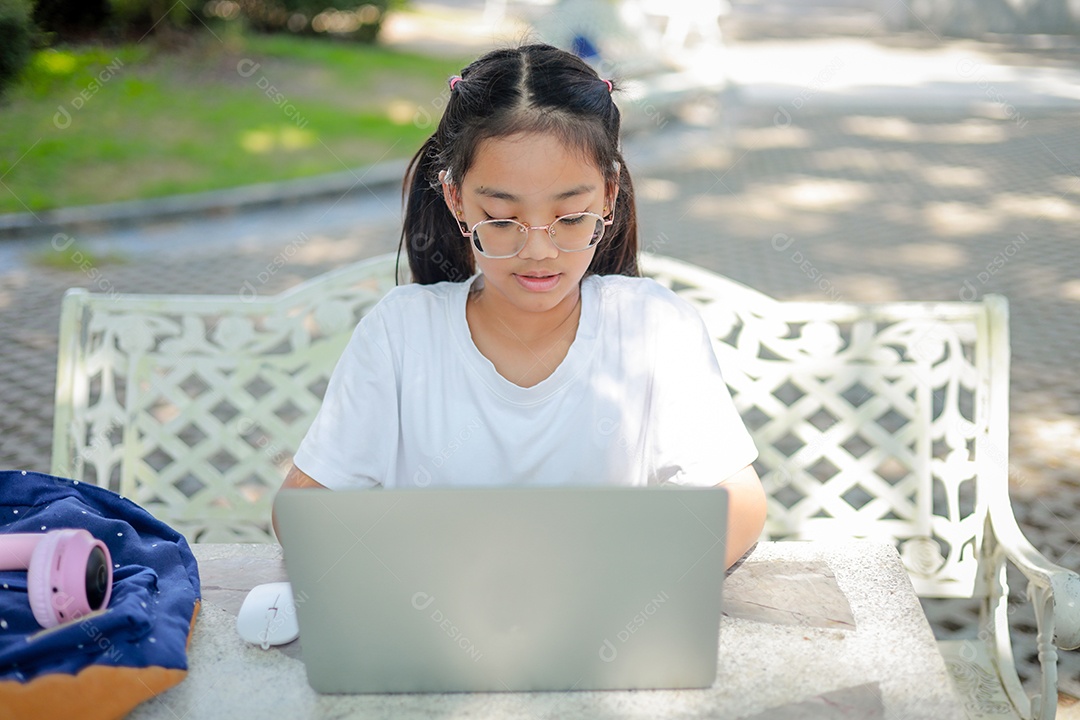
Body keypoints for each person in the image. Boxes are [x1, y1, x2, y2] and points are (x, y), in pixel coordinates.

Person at [274, 43, 766, 568]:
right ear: (456, 199)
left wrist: (630, 581)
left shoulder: (652, 328)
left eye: (571, 218)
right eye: (503, 219)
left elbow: (739, 504)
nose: (538, 251)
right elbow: (300, 513)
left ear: (608, 194)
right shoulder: (401, 334)